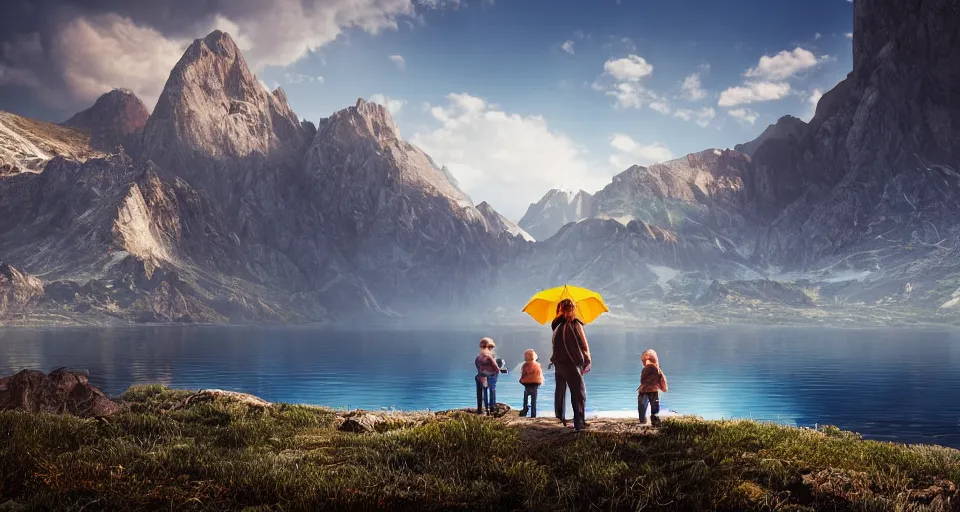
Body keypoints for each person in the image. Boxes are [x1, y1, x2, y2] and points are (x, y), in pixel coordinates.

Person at [550, 299, 592, 431]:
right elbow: (583, 344)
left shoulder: (555, 324)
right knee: (579, 393)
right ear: (572, 309)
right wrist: (587, 360)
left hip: (558, 363)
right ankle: (579, 423)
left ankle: (560, 418)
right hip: (572, 363)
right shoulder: (575, 323)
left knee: (560, 391)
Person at [637, 349, 668, 426]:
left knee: (651, 406)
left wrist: (662, 386)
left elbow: (661, 380)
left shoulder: (656, 370)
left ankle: (653, 419)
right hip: (646, 390)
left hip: (650, 390)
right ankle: (644, 419)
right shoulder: (652, 369)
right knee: (644, 405)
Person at [475, 338, 501, 415]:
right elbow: (496, 368)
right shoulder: (489, 357)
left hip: (480, 376)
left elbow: (478, 367)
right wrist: (498, 371)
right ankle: (491, 408)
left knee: (480, 393)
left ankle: (480, 409)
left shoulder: (478, 357)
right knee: (492, 390)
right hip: (489, 377)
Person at [519, 349, 544, 417]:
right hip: (535, 383)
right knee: (534, 399)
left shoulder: (525, 365)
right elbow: (540, 375)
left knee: (526, 398)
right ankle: (533, 414)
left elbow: (523, 374)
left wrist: (521, 380)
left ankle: (525, 410)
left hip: (527, 383)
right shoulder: (538, 365)